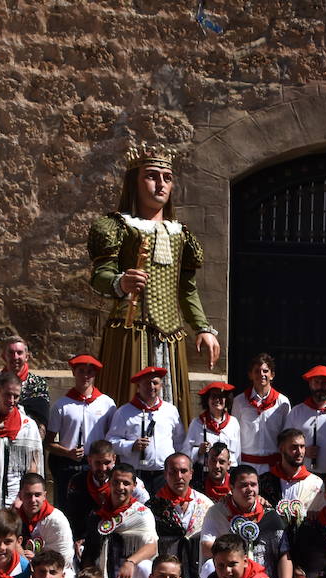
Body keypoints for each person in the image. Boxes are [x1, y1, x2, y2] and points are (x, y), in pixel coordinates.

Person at [89, 141, 219, 419]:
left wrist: (203, 327)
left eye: (167, 179)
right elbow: (100, 275)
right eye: (151, 176)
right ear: (134, 183)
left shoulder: (181, 234)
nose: (160, 184)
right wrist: (120, 282)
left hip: (171, 335)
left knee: (170, 406)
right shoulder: (119, 226)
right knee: (127, 398)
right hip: (130, 329)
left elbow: (187, 289)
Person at [200, 465, 291, 578]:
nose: (249, 490)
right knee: (209, 566)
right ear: (231, 488)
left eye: (253, 485)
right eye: (243, 485)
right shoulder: (218, 511)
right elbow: (206, 548)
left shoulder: (270, 515)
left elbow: (284, 555)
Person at [80, 462, 158, 578]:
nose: (120, 487)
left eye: (126, 483)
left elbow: (152, 546)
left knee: (146, 567)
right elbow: (89, 554)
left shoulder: (142, 513)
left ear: (134, 485)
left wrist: (130, 562)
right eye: (116, 482)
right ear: (109, 483)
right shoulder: (97, 515)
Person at [45, 353, 116, 507]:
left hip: (97, 466)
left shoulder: (107, 404)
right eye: (81, 371)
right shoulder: (62, 405)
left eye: (90, 372)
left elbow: (113, 437)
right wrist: (67, 452)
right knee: (66, 505)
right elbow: (48, 443)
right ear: (74, 373)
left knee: (97, 507)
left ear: (95, 374)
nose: (85, 376)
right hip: (69, 464)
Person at [106, 366, 184, 495]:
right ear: (138, 386)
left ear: (161, 386)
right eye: (147, 383)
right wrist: (131, 446)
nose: (151, 387)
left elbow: (179, 441)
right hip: (137, 475)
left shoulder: (170, 410)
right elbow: (111, 442)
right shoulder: (124, 412)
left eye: (155, 383)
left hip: (164, 475)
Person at [145, 453, 213, 578]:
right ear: (165, 474)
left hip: (196, 568)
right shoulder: (152, 507)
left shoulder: (206, 505)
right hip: (166, 573)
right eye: (173, 472)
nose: (178, 476)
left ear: (191, 473)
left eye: (183, 471)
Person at [63, 440, 150, 542]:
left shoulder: (130, 482)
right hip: (88, 540)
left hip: (124, 537)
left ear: (114, 459)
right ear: (89, 460)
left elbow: (146, 509)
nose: (103, 468)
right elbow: (74, 516)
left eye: (107, 462)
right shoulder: (77, 482)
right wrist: (79, 539)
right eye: (98, 463)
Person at [0, 370, 42, 510]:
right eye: (7, 395)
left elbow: (33, 465)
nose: (11, 401)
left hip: (17, 498)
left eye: (16, 396)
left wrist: (22, 497)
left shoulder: (27, 426)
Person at [0, 335, 52, 432]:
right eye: (11, 353)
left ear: (26, 357)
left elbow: (42, 423)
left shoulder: (39, 384)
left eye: (19, 353)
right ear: (4, 356)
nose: (15, 357)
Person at [232, 353, 291, 475]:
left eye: (265, 371)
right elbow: (234, 434)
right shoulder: (239, 401)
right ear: (250, 375)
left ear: (272, 375)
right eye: (257, 371)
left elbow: (287, 436)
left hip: (274, 466)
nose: (261, 374)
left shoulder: (282, 402)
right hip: (246, 465)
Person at [15, 474, 75, 578]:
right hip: (21, 568)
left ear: (44, 496)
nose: (33, 500)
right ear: (20, 496)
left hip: (52, 573)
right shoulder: (14, 517)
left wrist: (36, 560)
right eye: (28, 495)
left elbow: (64, 560)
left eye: (37, 495)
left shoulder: (56, 520)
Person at [258, 428, 324, 529]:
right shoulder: (264, 481)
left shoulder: (317, 483)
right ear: (281, 449)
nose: (300, 452)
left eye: (302, 447)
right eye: (294, 447)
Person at [286, 365, 326, 475]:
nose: (320, 387)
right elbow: (285, 441)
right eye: (316, 382)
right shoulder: (297, 411)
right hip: (303, 476)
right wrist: (302, 451)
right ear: (310, 384)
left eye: (324, 383)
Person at [183, 381, 241, 466]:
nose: (217, 400)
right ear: (207, 400)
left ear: (226, 399)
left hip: (228, 472)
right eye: (213, 396)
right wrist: (199, 451)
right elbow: (185, 454)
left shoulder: (233, 423)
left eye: (221, 397)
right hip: (205, 472)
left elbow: (237, 454)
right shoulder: (196, 423)